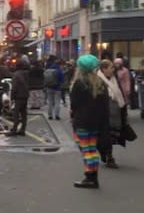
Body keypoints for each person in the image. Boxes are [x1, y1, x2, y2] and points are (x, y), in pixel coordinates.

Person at [70, 54, 109, 188]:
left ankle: (90, 177)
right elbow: (105, 106)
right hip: (96, 122)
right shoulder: (101, 83)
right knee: (92, 149)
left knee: (86, 150)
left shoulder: (79, 83)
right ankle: (94, 177)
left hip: (82, 122)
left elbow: (74, 104)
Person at [97, 59, 127, 169]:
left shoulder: (115, 79)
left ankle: (108, 155)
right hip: (103, 113)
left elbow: (120, 93)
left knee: (111, 137)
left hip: (115, 113)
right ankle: (107, 155)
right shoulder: (98, 79)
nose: (113, 70)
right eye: (111, 67)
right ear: (104, 69)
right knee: (105, 137)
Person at [6, 58, 30, 136]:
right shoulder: (26, 73)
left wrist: (12, 97)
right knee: (24, 113)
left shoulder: (16, 74)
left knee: (16, 114)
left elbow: (14, 87)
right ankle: (23, 129)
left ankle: (14, 130)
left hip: (18, 96)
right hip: (25, 95)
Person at [44, 55, 65, 120]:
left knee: (50, 101)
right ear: (60, 65)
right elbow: (62, 80)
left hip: (49, 87)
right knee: (57, 102)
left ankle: (50, 115)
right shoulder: (59, 70)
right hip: (57, 88)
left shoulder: (49, 69)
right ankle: (57, 115)